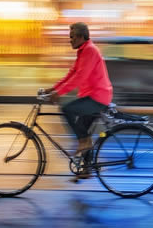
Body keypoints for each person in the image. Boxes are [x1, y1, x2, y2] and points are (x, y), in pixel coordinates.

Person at [46, 23, 113, 178]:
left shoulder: (89, 50)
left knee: (67, 109)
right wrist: (53, 89)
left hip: (97, 97)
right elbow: (72, 73)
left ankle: (83, 142)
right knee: (83, 128)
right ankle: (87, 169)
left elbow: (80, 77)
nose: (70, 40)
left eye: (72, 37)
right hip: (92, 96)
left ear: (81, 37)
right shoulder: (83, 51)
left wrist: (59, 93)